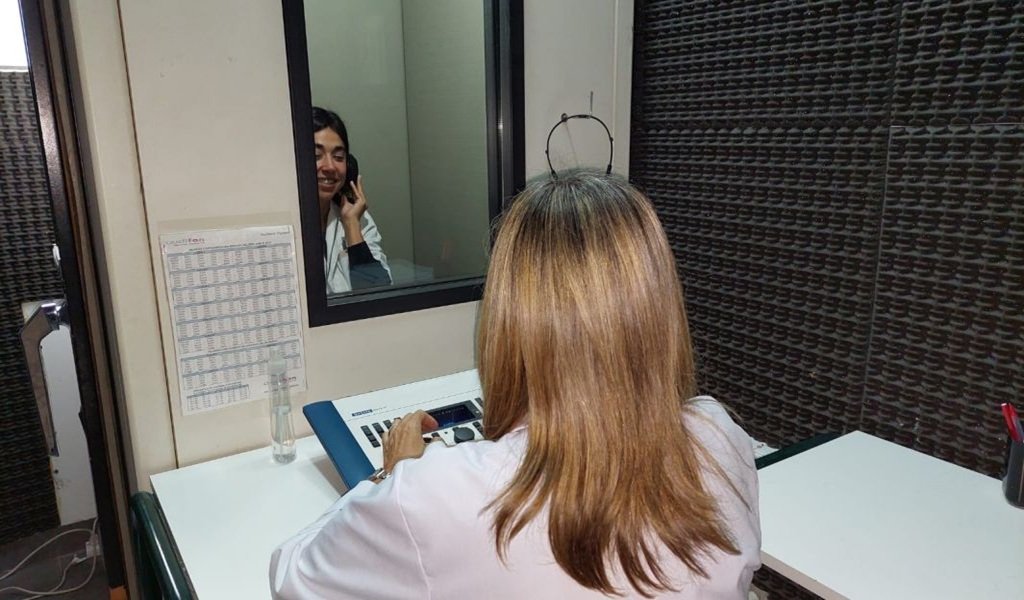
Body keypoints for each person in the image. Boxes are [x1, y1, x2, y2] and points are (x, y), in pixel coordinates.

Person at [270, 171, 761, 599]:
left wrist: (391, 478)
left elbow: (292, 576)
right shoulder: (721, 440)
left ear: (508, 318)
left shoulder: (436, 495)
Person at [313, 106, 391, 293]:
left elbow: (377, 292)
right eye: (316, 156)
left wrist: (351, 225)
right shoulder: (287, 223)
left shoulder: (356, 217)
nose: (330, 167)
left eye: (339, 157)